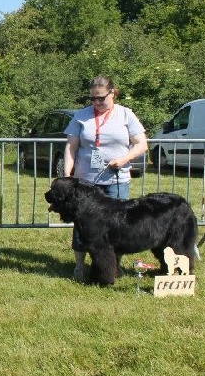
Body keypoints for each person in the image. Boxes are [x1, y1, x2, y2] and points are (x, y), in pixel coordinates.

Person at [63, 75, 148, 280]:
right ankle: (80, 267)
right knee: (82, 226)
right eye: (93, 99)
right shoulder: (81, 116)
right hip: (86, 182)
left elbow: (142, 144)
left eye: (101, 98)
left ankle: (112, 268)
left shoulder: (126, 115)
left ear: (113, 93)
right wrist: (68, 175)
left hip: (116, 180)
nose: (97, 103)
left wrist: (124, 159)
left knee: (117, 227)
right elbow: (71, 146)